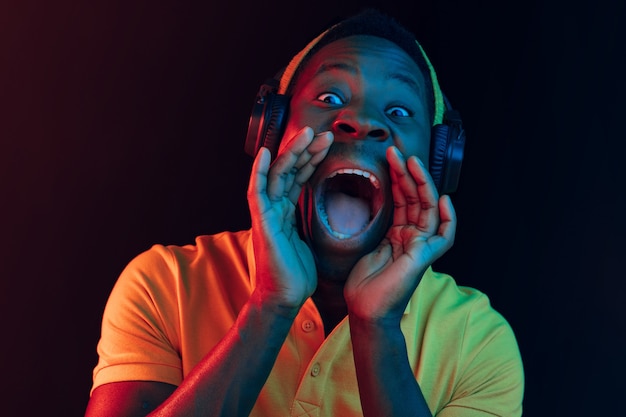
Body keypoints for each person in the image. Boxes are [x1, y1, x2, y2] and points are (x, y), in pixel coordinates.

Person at [85, 8, 524, 417]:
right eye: (330, 97)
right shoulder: (164, 282)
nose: (360, 121)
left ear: (436, 163)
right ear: (271, 133)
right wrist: (270, 306)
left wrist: (377, 326)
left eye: (398, 111)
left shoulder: (479, 340)